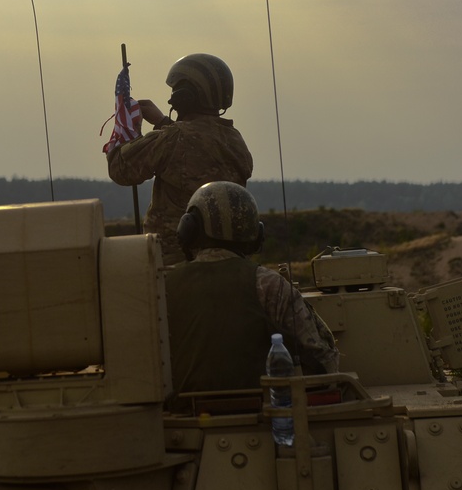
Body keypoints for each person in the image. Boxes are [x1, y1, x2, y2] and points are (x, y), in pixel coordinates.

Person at [164, 181, 338, 410]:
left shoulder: (163, 286)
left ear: (189, 229)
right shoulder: (269, 284)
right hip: (261, 420)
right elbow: (324, 364)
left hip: (182, 423)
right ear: (255, 235)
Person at [106, 54, 253, 265]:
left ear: (185, 98)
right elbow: (196, 145)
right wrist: (163, 123)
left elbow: (121, 169)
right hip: (228, 262)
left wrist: (129, 127)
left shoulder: (172, 139)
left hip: (175, 266)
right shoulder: (235, 140)